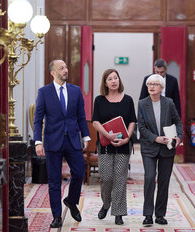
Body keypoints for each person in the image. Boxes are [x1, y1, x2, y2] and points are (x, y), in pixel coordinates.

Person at [33, 60, 90, 228]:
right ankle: (56, 216)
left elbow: (81, 116)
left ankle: (71, 201)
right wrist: (38, 142)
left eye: (66, 67)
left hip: (72, 140)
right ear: (53, 73)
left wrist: (85, 137)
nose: (66, 70)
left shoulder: (76, 91)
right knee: (54, 180)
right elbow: (38, 120)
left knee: (79, 172)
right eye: (61, 68)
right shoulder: (44, 92)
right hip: (53, 141)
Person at [92, 69, 137, 225]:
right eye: (110, 79)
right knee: (106, 178)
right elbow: (95, 121)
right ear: (105, 83)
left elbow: (132, 121)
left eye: (115, 78)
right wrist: (107, 134)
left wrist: (127, 138)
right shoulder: (99, 100)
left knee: (120, 178)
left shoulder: (128, 100)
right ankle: (106, 204)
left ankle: (118, 212)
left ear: (119, 80)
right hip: (105, 145)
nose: (113, 81)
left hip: (123, 145)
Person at [137, 74, 183, 225]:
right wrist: (155, 138)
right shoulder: (142, 103)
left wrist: (179, 137)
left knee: (164, 181)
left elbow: (177, 121)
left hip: (167, 149)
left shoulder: (168, 103)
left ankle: (160, 215)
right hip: (149, 147)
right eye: (149, 83)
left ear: (161, 88)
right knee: (150, 178)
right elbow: (141, 127)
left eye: (155, 84)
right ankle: (148, 215)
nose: (151, 86)